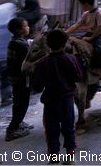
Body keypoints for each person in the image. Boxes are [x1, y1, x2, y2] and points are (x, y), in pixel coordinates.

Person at [32, 29, 82, 164]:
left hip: (50, 101)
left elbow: (36, 86)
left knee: (51, 129)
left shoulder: (42, 63)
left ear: (47, 44)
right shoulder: (71, 59)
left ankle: (54, 157)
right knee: (69, 128)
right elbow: (78, 77)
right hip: (67, 99)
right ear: (65, 43)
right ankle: (70, 157)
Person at [66, 0, 101, 92]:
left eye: (81, 4)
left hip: (99, 35)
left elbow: (100, 28)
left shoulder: (99, 12)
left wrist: (90, 39)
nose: (81, 7)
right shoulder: (86, 14)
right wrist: (65, 33)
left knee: (99, 50)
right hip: (89, 34)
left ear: (85, 4)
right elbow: (77, 25)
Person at [5, 17, 33, 141]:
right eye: (25, 26)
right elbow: (29, 60)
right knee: (22, 102)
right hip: (20, 78)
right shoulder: (21, 45)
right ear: (19, 30)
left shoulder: (14, 41)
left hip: (14, 76)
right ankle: (12, 129)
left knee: (19, 101)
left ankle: (19, 122)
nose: (28, 27)